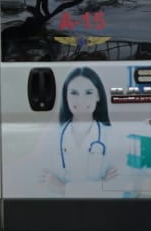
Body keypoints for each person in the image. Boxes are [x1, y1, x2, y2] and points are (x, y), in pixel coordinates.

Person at [40, 66, 118, 195]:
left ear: (98, 95)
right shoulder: (50, 137)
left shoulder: (112, 136)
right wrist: (101, 185)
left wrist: (63, 189)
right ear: (65, 96)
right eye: (74, 93)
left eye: (88, 93)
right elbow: (40, 183)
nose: (81, 100)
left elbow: (117, 187)